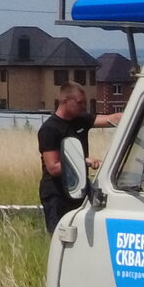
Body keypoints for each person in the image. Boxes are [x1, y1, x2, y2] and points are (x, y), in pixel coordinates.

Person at [36, 85, 97, 220]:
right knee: (61, 237)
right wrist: (84, 162)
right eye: (80, 102)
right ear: (65, 100)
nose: (83, 106)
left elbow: (113, 119)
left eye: (84, 103)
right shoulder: (49, 129)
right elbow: (53, 168)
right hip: (57, 195)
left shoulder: (81, 120)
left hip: (78, 189)